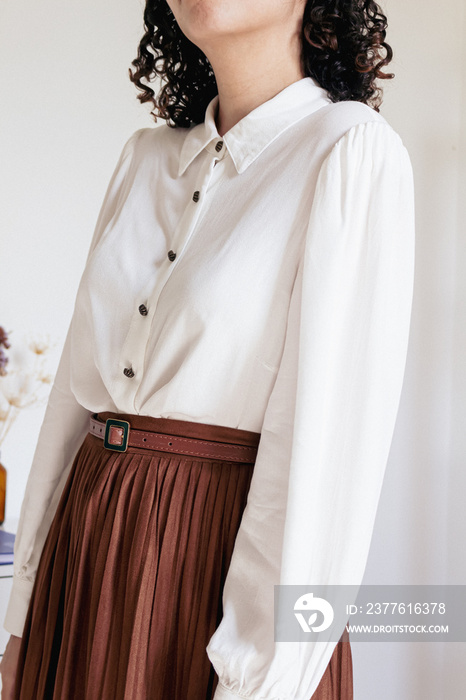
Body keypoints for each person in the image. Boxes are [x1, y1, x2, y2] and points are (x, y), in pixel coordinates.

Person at [0, 0, 415, 698]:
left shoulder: (348, 149)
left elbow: (323, 453)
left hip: (213, 561)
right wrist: (25, 619)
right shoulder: (143, 159)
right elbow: (73, 405)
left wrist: (259, 677)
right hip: (88, 548)